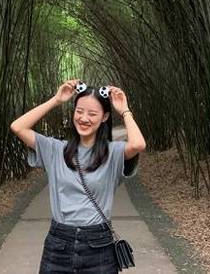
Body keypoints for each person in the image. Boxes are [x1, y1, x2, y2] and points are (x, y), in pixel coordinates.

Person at [10, 79, 146, 273]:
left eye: (92, 114)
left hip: (99, 245)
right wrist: (56, 100)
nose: (84, 118)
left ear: (104, 117)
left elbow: (138, 145)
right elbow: (18, 127)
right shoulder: (55, 149)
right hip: (59, 244)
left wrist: (124, 110)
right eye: (79, 111)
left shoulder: (113, 153)